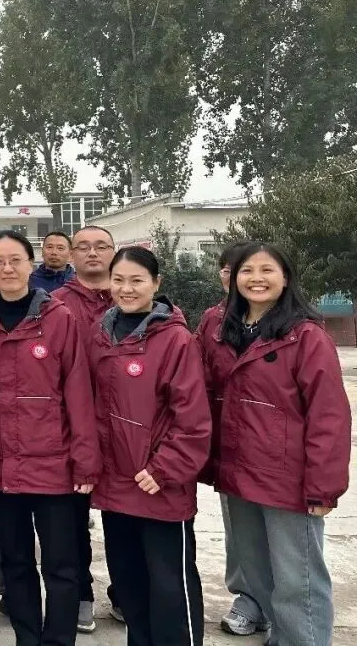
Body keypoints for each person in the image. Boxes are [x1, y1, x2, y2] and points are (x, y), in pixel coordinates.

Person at [202, 242, 351, 646]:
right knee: (257, 571)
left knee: (297, 580)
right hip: (237, 472)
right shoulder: (221, 330)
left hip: (288, 478)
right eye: (247, 270)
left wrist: (323, 486)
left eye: (267, 270)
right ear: (233, 277)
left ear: (286, 278)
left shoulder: (306, 336)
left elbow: (329, 415)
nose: (257, 279)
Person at [0, 231, 99, 646]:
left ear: (30, 264)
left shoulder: (59, 318)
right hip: (0, 465)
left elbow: (78, 392)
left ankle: (58, 639)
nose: (7, 268)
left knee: (61, 565)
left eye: (15, 260)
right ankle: (26, 637)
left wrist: (85, 460)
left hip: (55, 465)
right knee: (15, 562)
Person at [90, 246, 211, 646]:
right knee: (129, 583)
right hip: (115, 484)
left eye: (137, 280)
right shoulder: (99, 334)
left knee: (170, 585)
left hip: (158, 484)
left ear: (156, 284)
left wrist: (164, 468)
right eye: (119, 280)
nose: (126, 289)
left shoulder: (175, 340)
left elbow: (192, 419)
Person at [193, 241, 266, 637]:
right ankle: (248, 600)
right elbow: (196, 375)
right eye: (230, 270)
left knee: (287, 539)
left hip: (277, 447)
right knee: (239, 530)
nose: (239, 277)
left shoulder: (292, 322)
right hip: (231, 443)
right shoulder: (212, 321)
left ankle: (284, 612)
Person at [51, 224, 117, 631]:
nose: (93, 253)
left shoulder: (133, 297)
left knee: (126, 517)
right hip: (71, 428)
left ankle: (126, 592)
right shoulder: (55, 305)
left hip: (125, 428)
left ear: (114, 252)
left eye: (101, 246)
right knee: (71, 521)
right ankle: (80, 595)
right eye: (84, 247)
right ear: (71, 255)